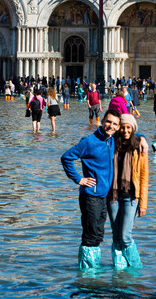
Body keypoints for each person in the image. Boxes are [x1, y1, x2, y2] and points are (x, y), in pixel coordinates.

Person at [61, 109, 121, 271]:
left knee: (98, 233)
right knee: (91, 234)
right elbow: (66, 157)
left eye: (115, 124)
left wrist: (142, 139)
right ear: (102, 121)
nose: (111, 126)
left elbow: (134, 134)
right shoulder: (89, 142)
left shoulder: (112, 139)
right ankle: (87, 273)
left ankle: (91, 270)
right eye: (108, 122)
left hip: (104, 196)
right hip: (90, 196)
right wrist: (78, 179)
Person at [108, 112, 148, 270]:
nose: (125, 131)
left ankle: (136, 268)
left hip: (131, 197)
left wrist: (143, 203)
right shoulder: (112, 143)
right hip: (112, 196)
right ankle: (120, 272)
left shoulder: (139, 146)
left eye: (128, 128)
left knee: (125, 237)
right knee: (116, 237)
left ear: (133, 128)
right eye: (122, 127)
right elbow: (102, 130)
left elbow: (144, 176)